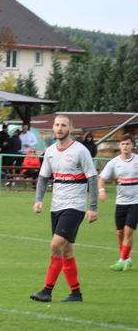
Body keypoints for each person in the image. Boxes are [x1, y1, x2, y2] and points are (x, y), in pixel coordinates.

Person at [30, 114, 98, 303]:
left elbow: (92, 178)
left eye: (64, 125)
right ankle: (76, 294)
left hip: (74, 206)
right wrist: (39, 199)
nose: (60, 128)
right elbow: (43, 177)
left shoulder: (80, 150)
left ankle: (47, 291)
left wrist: (92, 207)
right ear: (53, 127)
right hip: (56, 206)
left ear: (71, 128)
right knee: (67, 251)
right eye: (57, 125)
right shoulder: (50, 151)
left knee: (55, 245)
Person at [98, 134, 137, 271]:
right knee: (120, 233)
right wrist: (102, 190)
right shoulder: (114, 162)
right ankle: (127, 258)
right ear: (119, 146)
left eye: (127, 144)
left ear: (132, 145)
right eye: (123, 144)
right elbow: (101, 179)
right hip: (120, 203)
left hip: (135, 202)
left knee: (128, 231)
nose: (125, 146)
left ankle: (121, 260)